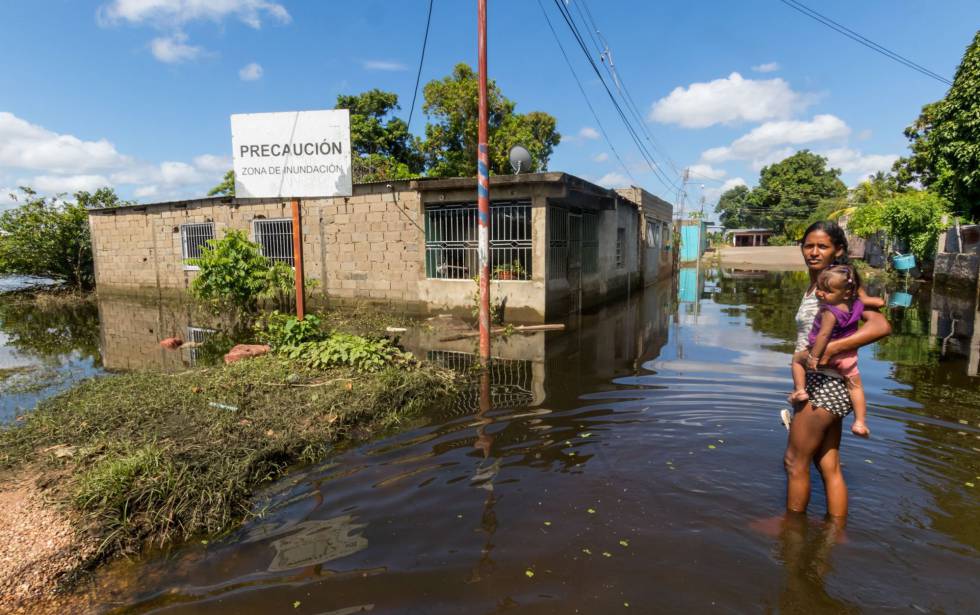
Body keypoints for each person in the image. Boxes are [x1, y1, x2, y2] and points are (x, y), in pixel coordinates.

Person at [782, 221, 891, 519]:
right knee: (827, 464)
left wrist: (829, 350)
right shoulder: (816, 287)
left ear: (838, 250)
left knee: (794, 461)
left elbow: (881, 326)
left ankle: (791, 531)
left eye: (823, 246)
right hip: (832, 385)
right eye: (809, 245)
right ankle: (836, 532)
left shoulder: (844, 286)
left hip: (825, 384)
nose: (814, 252)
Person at [788, 264, 885, 438]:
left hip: (826, 352)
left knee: (796, 360)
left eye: (827, 291)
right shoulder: (856, 303)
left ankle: (799, 391)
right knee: (855, 387)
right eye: (819, 288)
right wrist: (878, 301)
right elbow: (879, 302)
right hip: (848, 357)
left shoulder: (829, 311)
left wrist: (814, 356)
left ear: (845, 292)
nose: (820, 294)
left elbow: (824, 335)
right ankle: (860, 422)